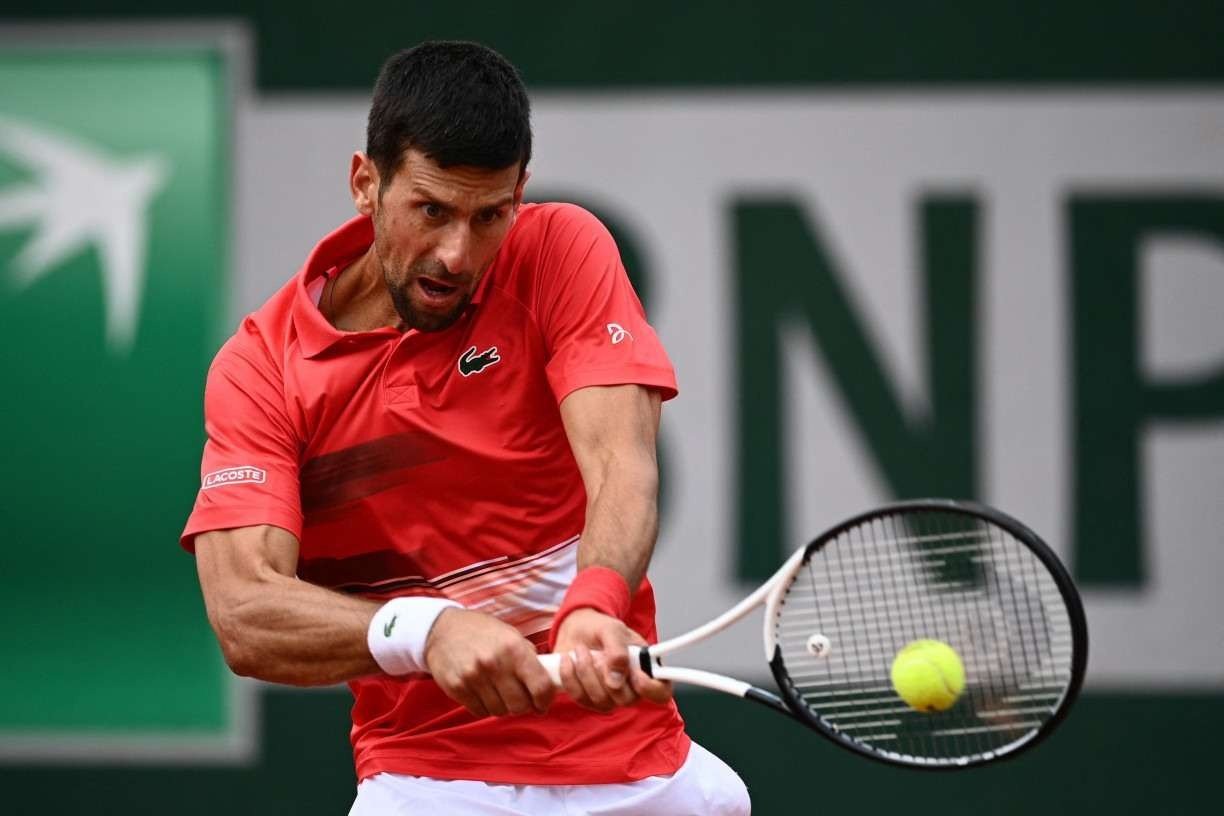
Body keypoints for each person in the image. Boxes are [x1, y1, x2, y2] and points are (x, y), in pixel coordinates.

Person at [181, 41, 750, 815]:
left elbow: (622, 464)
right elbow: (246, 613)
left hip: (640, 775)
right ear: (364, 184)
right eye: (431, 211)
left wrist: (594, 599)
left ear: (521, 192)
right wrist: (428, 629)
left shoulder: (558, 250)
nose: (457, 253)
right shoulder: (263, 371)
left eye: (490, 216)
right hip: (425, 785)